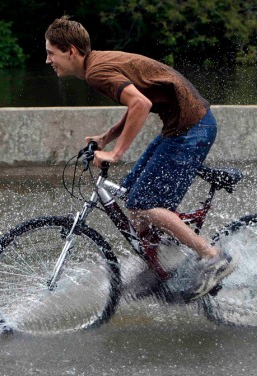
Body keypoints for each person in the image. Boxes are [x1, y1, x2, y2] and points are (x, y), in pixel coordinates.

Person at [45, 15, 236, 299]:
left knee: (143, 203)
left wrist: (115, 152)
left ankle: (213, 256)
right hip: (180, 127)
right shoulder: (97, 63)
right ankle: (157, 267)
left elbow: (140, 103)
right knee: (132, 199)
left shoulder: (98, 72)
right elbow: (141, 97)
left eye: (51, 53)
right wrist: (107, 136)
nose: (48, 60)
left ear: (71, 51)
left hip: (192, 129)